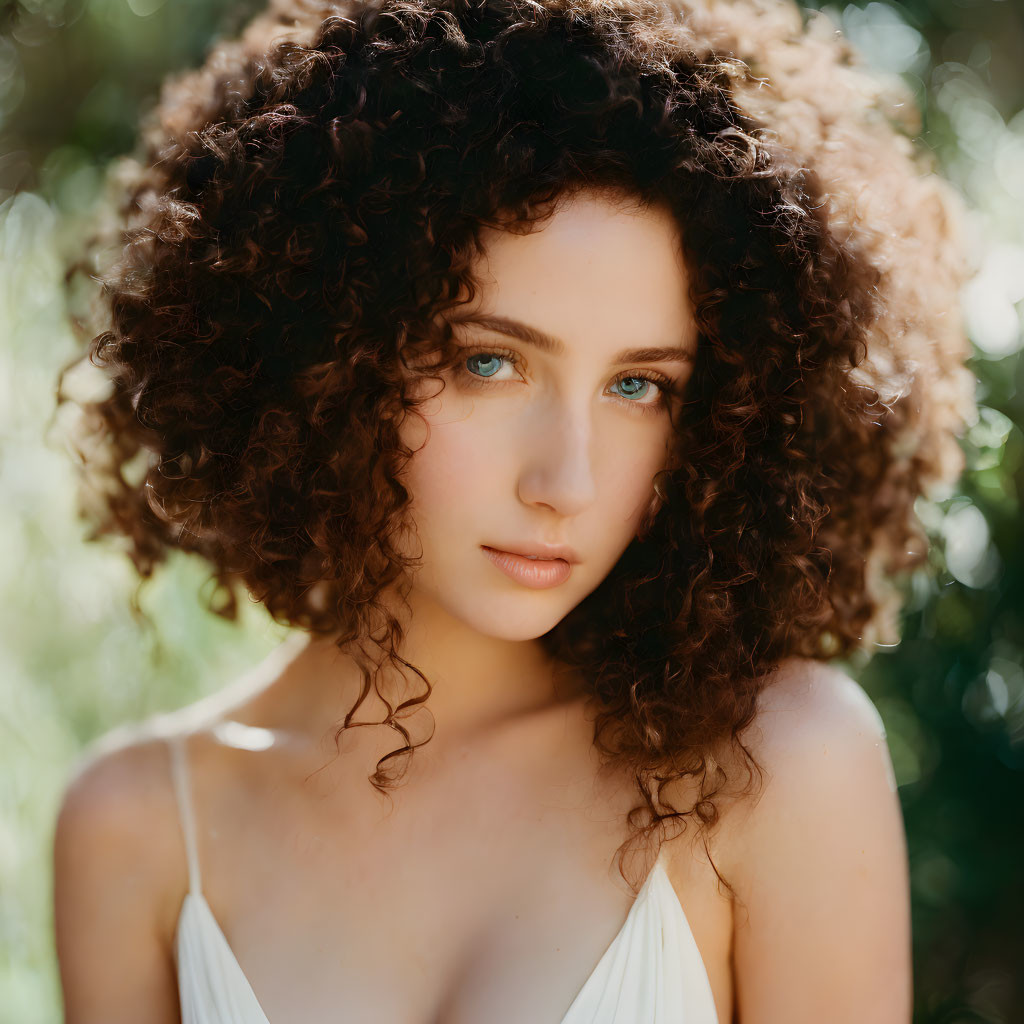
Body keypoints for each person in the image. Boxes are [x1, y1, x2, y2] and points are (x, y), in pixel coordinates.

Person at [49, 0, 975, 1020]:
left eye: (640, 388)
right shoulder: (138, 827)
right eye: (488, 362)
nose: (567, 481)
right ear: (329, 355)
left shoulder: (774, 764)